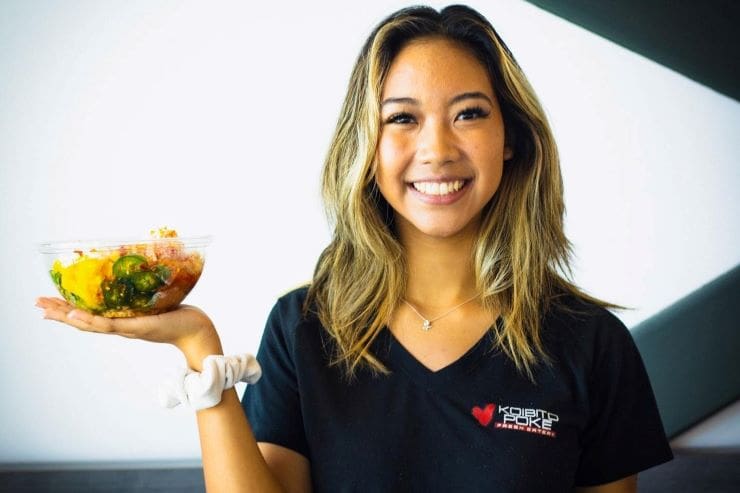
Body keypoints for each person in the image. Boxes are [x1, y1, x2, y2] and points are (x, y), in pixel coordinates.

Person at [36, 4, 673, 492]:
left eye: (470, 113)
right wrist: (198, 346)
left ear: (511, 138)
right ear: (364, 148)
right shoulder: (304, 328)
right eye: (401, 118)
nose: (438, 150)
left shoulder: (590, 343)